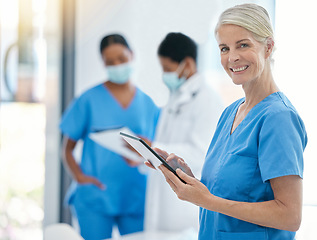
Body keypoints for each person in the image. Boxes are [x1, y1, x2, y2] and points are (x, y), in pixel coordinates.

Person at [148, 4, 308, 240]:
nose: (232, 57)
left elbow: (290, 216)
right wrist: (190, 181)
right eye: (224, 48)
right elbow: (228, 191)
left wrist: (208, 200)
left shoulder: (278, 118)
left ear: (268, 47)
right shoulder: (230, 113)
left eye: (243, 45)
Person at [60, 34, 160, 240]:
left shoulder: (148, 104)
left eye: (121, 59)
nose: (116, 65)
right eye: (109, 62)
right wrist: (79, 177)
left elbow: (156, 149)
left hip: (135, 195)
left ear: (132, 55)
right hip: (96, 196)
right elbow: (67, 148)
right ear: (103, 63)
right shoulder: (88, 99)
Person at [145, 32, 224, 232]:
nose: (165, 75)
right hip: (164, 202)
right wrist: (149, 150)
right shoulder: (175, 97)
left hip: (186, 209)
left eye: (168, 69)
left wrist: (157, 150)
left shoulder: (208, 100)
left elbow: (202, 153)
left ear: (187, 64)